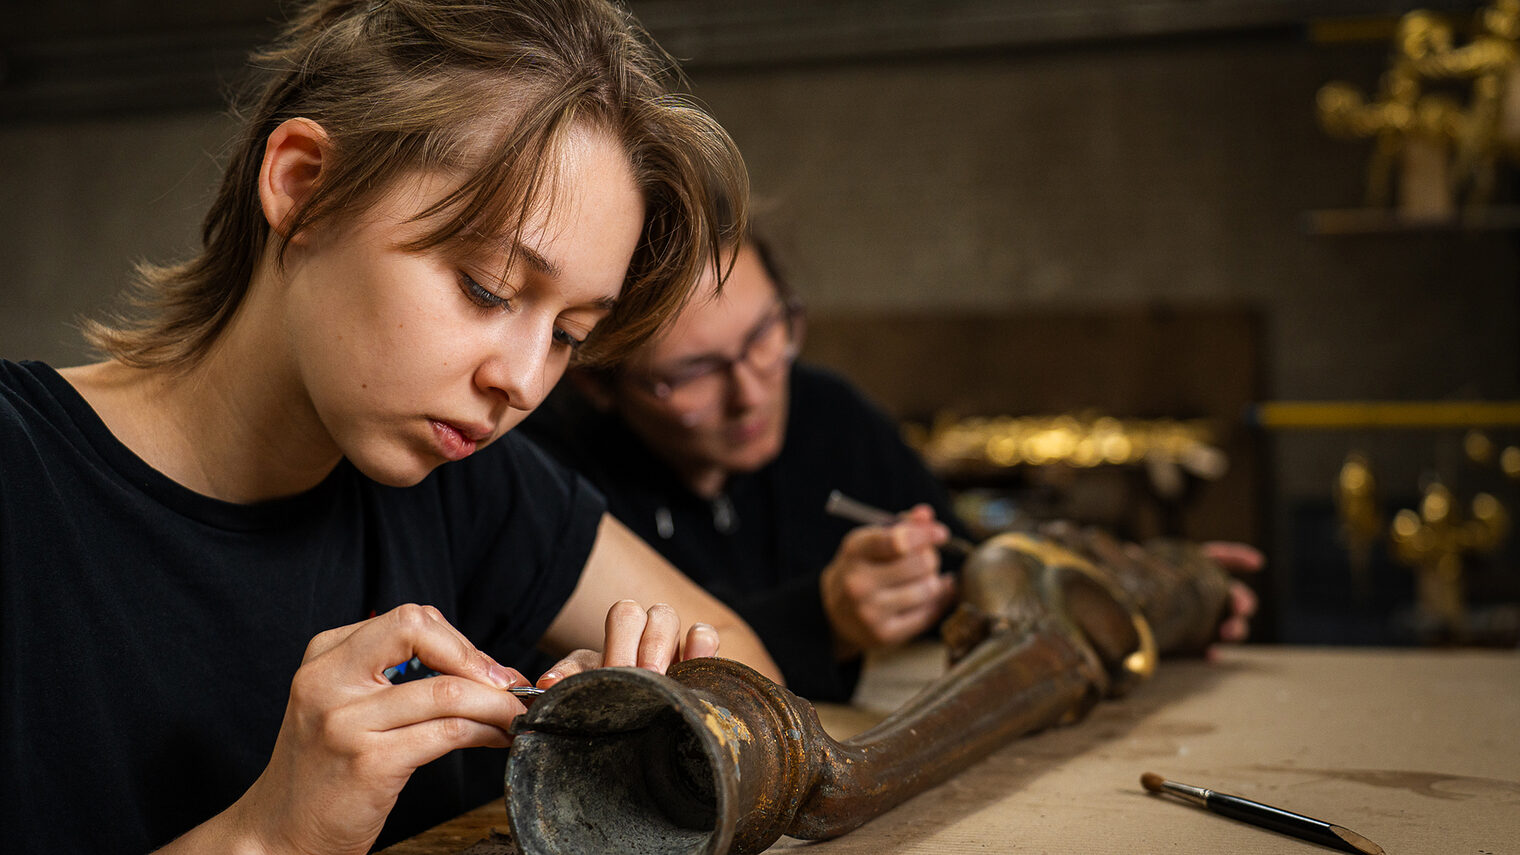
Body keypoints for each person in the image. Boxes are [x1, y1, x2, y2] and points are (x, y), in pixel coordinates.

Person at [0, 1, 783, 852]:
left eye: (568, 335)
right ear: (305, 188)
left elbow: (750, 671)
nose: (521, 381)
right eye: (487, 287)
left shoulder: (462, 477)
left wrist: (653, 724)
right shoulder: (20, 475)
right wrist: (271, 836)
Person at [521, 231, 1263, 702]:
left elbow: (972, 560)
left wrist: (1142, 593)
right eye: (693, 374)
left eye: (766, 336)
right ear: (596, 381)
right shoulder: (544, 478)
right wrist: (825, 619)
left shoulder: (826, 411)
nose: (751, 391)